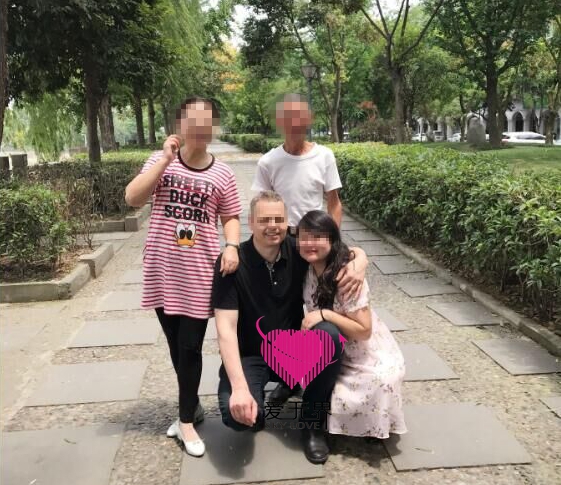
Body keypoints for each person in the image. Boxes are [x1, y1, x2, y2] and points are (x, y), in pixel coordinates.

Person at [212, 191, 369, 464]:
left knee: (329, 335)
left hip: (292, 348)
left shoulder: (298, 250)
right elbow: (225, 330)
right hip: (251, 354)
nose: (272, 226)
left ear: (287, 222)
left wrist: (360, 260)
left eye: (278, 219)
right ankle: (267, 394)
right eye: (264, 220)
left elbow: (337, 248)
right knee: (238, 418)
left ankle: (312, 424)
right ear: (250, 222)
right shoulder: (233, 263)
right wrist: (239, 388)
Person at [125, 97, 242, 457]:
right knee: (177, 345)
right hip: (162, 269)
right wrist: (164, 160)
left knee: (190, 346)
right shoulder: (160, 162)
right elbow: (132, 198)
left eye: (207, 121)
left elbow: (231, 215)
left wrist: (232, 245)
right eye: (193, 120)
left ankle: (186, 422)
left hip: (199, 273)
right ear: (180, 124)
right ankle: (191, 405)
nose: (200, 127)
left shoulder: (222, 173)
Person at [297, 210, 407, 439]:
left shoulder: (347, 276)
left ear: (332, 240)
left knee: (378, 381)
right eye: (304, 237)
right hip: (328, 343)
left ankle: (368, 426)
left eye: (317, 237)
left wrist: (326, 314)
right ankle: (314, 419)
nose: (309, 243)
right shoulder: (305, 266)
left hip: (360, 348)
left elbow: (364, 331)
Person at [251, 93, 343, 232]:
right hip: (280, 235)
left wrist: (333, 239)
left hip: (313, 235)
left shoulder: (324, 156)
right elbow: (261, 206)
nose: (294, 122)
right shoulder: (268, 162)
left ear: (309, 119)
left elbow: (334, 204)